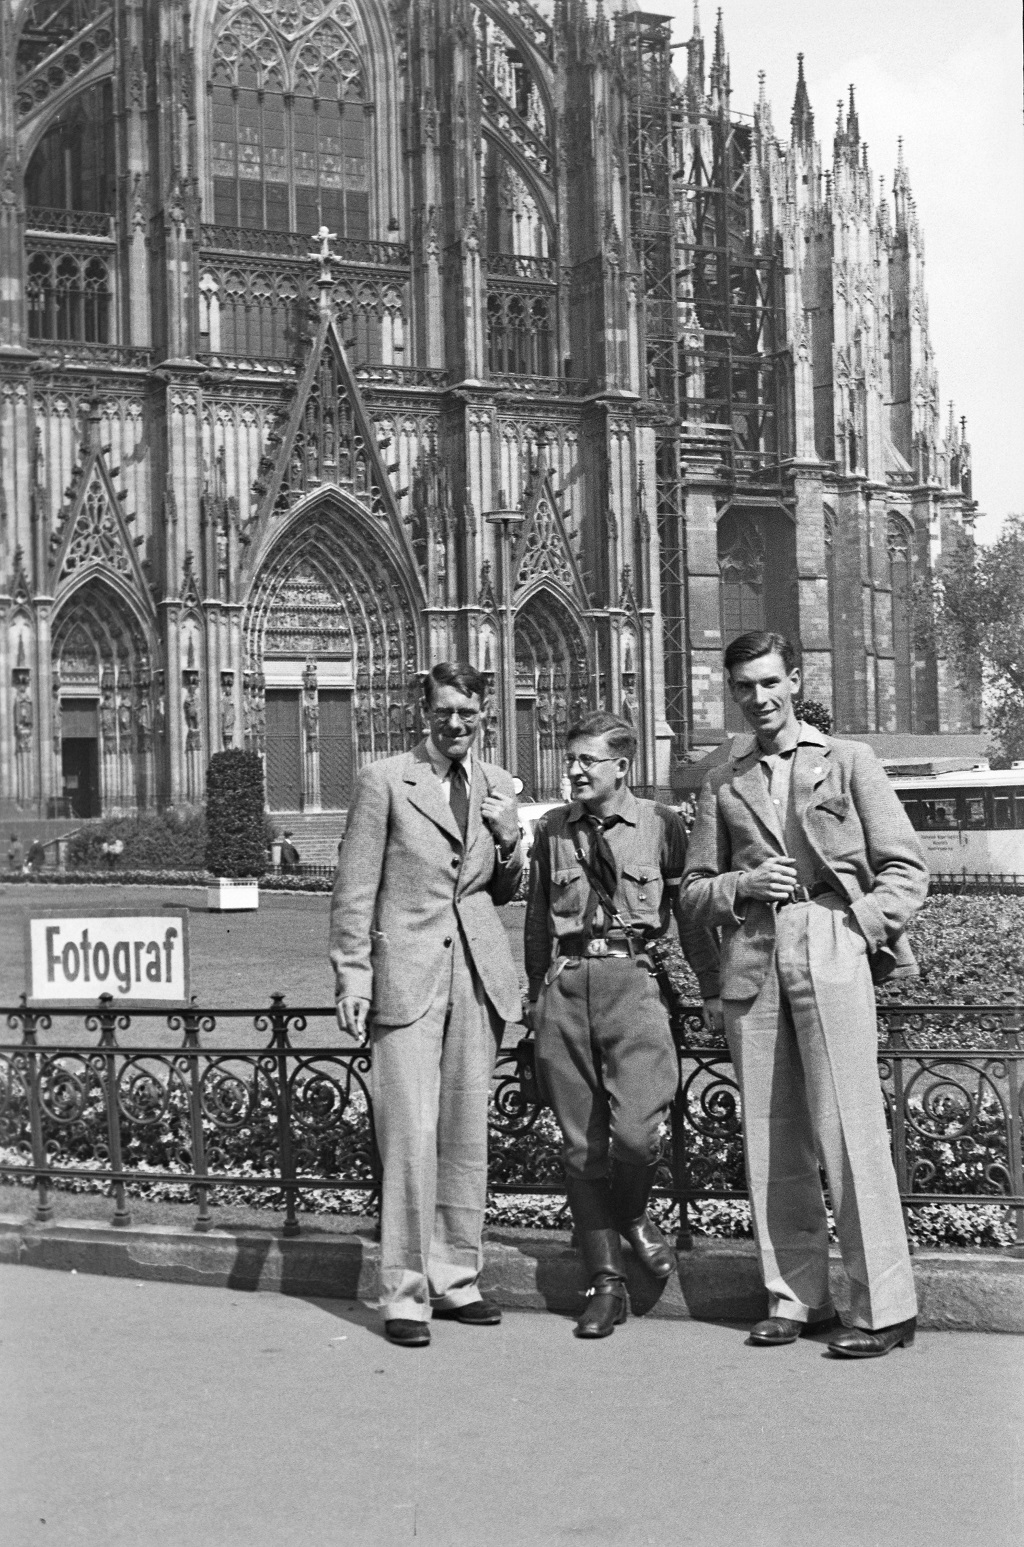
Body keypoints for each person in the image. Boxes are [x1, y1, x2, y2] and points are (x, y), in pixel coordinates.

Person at [681, 630, 929, 1358]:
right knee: (770, 1132)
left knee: (851, 1128)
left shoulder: (848, 761)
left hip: (832, 942)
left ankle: (884, 1307)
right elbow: (693, 892)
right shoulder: (723, 780)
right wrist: (742, 885)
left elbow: (906, 869)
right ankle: (796, 1298)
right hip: (754, 957)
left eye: (769, 682)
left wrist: (856, 927)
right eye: (744, 687)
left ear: (794, 679)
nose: (759, 698)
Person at [330, 661, 523, 1348]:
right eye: (445, 711)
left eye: (468, 712)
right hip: (407, 975)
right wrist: (353, 978)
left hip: (476, 972)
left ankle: (455, 1276)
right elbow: (355, 888)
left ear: (483, 712)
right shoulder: (385, 779)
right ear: (425, 711)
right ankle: (405, 1293)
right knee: (409, 1134)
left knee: (466, 1132)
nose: (456, 723)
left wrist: (509, 838)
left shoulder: (498, 784)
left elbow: (503, 888)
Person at [524, 711, 719, 1339]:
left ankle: (633, 1217)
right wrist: (534, 1003)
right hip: (567, 986)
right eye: (570, 759)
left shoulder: (661, 826)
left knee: (635, 1134)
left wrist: (709, 985)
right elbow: (535, 921)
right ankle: (605, 1283)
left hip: (633, 984)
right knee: (582, 1146)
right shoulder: (553, 829)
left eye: (587, 760)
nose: (573, 770)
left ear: (622, 767)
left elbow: (688, 914)